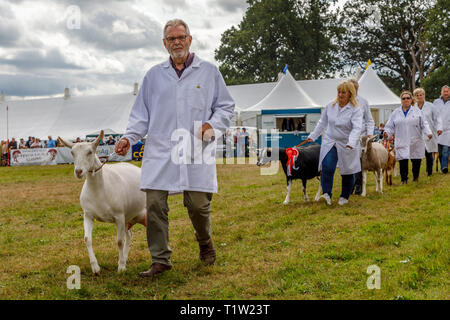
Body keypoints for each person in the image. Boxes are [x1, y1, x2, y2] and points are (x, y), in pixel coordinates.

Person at [115, 19, 234, 279]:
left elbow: (226, 106)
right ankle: (160, 259)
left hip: (195, 149)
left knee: (198, 206)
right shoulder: (153, 76)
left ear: (190, 40)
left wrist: (211, 126)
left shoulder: (209, 72)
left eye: (181, 37)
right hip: (161, 151)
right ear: (164, 43)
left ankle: (205, 242)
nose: (177, 42)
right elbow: (140, 116)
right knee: (155, 205)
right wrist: (129, 137)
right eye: (171, 39)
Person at [307, 81, 362, 205]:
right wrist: (313, 136)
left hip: (347, 142)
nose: (340, 95)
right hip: (330, 140)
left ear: (350, 94)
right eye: (339, 92)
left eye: (343, 92)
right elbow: (322, 123)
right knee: (327, 166)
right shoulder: (330, 106)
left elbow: (357, 128)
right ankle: (326, 194)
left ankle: (344, 196)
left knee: (347, 170)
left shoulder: (355, 109)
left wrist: (351, 142)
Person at [384, 91, 432, 183]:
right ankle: (404, 179)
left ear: (411, 100)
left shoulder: (417, 111)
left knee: (416, 159)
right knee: (403, 160)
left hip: (416, 139)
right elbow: (390, 126)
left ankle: (415, 177)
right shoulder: (396, 112)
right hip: (401, 139)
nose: (406, 100)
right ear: (401, 100)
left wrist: (428, 133)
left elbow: (424, 124)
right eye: (403, 98)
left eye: (408, 98)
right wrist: (387, 133)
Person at [349, 78, 375, 195]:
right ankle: (350, 185)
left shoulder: (363, 102)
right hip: (347, 135)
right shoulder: (343, 101)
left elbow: (369, 120)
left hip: (361, 136)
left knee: (359, 161)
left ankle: (358, 185)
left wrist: (369, 133)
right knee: (348, 161)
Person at [414, 88, 443, 176]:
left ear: (424, 95)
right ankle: (416, 172)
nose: (419, 96)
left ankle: (429, 171)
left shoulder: (430, 106)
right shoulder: (413, 107)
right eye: (417, 95)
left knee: (428, 152)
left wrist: (439, 128)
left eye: (421, 94)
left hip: (429, 132)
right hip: (417, 133)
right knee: (417, 153)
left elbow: (438, 117)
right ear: (415, 97)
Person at [433, 85, 449, 173]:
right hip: (438, 130)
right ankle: (443, 165)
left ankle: (444, 167)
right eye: (444, 91)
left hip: (448, 130)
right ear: (441, 92)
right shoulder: (436, 102)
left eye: (447, 91)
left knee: (445, 150)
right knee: (439, 151)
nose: (446, 93)